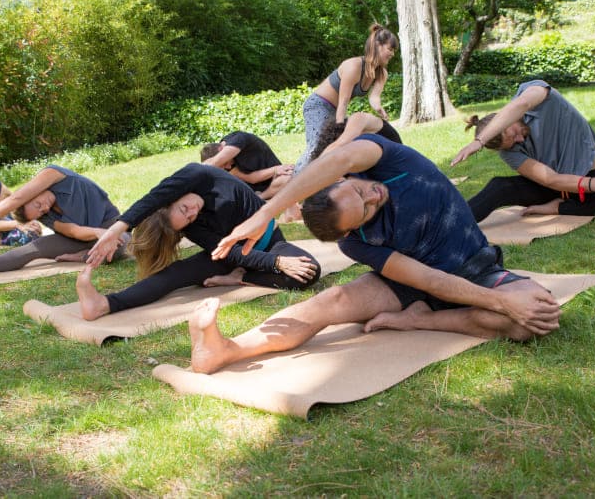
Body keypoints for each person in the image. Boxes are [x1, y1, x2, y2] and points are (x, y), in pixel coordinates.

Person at [188, 132, 561, 374]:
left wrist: (266, 212)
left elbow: (338, 159)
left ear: (343, 180)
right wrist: (501, 303)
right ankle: (224, 350)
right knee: (329, 302)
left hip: (475, 266)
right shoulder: (355, 242)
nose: (372, 196)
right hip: (419, 280)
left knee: (535, 315)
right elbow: (428, 279)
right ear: (350, 231)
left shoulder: (392, 164)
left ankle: (420, 321)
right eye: (364, 209)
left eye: (358, 190)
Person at [77, 163, 321, 321]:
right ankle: (104, 304)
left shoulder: (198, 175)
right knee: (175, 275)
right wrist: (277, 263)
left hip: (269, 242)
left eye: (185, 209)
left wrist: (118, 228)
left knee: (310, 271)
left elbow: (151, 198)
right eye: (188, 218)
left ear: (174, 196)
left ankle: (239, 278)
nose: (192, 213)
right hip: (234, 255)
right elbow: (232, 252)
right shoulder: (193, 227)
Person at [451, 79, 595, 221]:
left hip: (586, 177)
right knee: (499, 187)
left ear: (506, 118)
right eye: (512, 143)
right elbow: (551, 179)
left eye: (514, 133)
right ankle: (451, 224)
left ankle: (559, 207)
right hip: (556, 185)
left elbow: (520, 105)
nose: (519, 140)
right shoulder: (508, 151)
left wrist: (479, 141)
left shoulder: (537, 94)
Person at [0, 165, 129, 278]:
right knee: (34, 248)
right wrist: (97, 233)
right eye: (39, 212)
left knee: (121, 245)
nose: (43, 209)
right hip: (85, 237)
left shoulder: (54, 174)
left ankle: (83, 256)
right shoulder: (48, 215)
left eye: (37, 204)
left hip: (111, 226)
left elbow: (16, 198)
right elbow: (74, 231)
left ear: (33, 193)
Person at [295, 23, 399, 174]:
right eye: (390, 49)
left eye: (393, 50)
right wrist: (339, 129)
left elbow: (374, 97)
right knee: (317, 147)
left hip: (335, 109)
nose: (392, 54)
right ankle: (297, 183)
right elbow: (343, 102)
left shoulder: (381, 73)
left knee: (337, 146)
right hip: (318, 105)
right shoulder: (354, 66)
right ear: (377, 45)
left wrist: (378, 107)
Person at [201, 131, 293, 200]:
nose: (228, 167)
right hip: (253, 188)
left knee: (288, 176)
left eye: (224, 163)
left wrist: (276, 170)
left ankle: (261, 198)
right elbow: (252, 178)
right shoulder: (227, 166)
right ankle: (260, 198)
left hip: (275, 179)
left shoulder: (238, 138)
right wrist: (275, 169)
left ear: (221, 150)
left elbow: (211, 164)